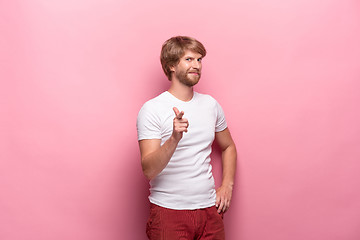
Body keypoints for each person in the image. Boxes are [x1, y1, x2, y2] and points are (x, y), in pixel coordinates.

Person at [137, 36, 237, 240]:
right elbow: (149, 170)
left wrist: (227, 186)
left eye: (199, 60)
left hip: (210, 212)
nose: (197, 65)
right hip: (169, 213)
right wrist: (174, 138)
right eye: (189, 59)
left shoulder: (211, 105)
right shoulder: (152, 109)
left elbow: (228, 147)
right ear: (172, 65)